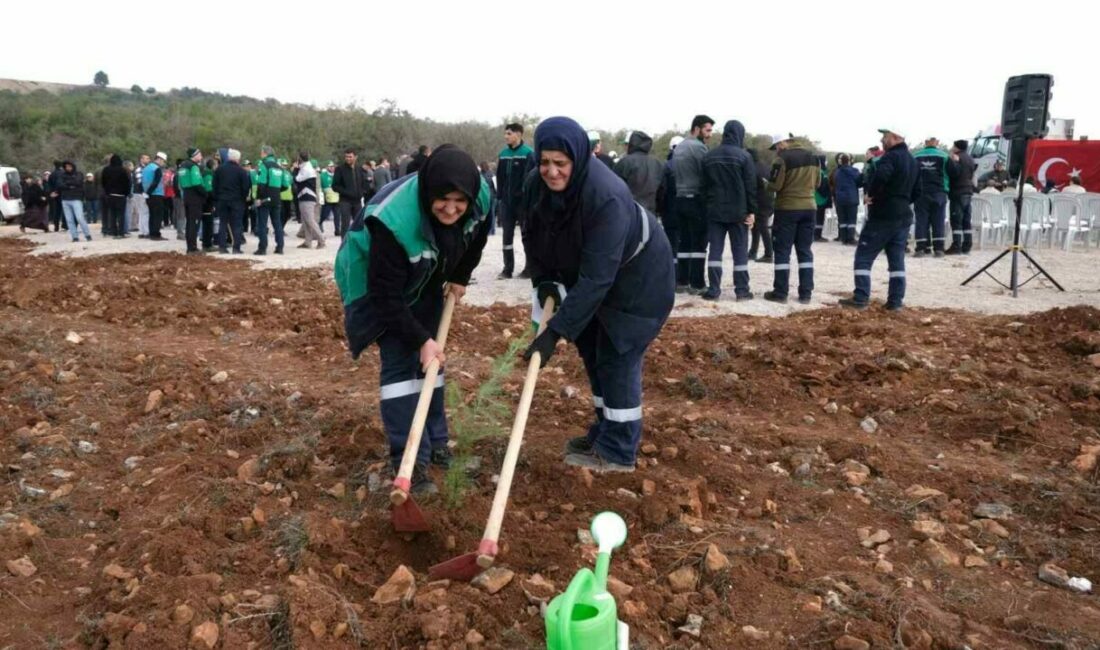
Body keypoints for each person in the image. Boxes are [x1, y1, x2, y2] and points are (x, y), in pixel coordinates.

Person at [520, 117, 674, 473]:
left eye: (561, 163)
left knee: (617, 353)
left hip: (639, 278)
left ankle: (619, 450)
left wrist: (554, 333)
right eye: (545, 162)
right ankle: (606, 430)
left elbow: (597, 279)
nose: (551, 171)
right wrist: (542, 279)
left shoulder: (606, 196)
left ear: (578, 158)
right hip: (594, 274)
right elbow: (532, 232)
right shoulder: (534, 185)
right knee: (591, 347)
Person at [335, 145, 492, 492]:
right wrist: (420, 339)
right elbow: (386, 297)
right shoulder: (394, 223)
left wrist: (461, 275)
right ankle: (409, 463)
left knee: (432, 364)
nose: (451, 209)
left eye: (459, 201)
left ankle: (436, 444)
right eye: (442, 200)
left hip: (425, 273)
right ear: (428, 191)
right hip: (373, 280)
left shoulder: (481, 197)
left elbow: (478, 234)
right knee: (400, 366)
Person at [839, 128, 920, 311]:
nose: (882, 140)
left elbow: (881, 176)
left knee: (863, 257)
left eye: (885, 137)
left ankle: (860, 298)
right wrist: (902, 200)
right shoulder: (913, 161)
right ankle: (895, 302)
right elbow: (918, 191)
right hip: (903, 216)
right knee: (897, 261)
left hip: (883, 215)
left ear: (896, 137)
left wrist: (871, 195)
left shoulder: (890, 158)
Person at [701, 120, 757, 301]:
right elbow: (750, 186)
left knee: (715, 251)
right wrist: (751, 211)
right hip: (738, 212)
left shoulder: (709, 156)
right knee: (740, 252)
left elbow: (704, 186)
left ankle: (713, 290)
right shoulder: (744, 157)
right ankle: (742, 291)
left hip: (715, 211)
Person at [764, 136, 818, 304]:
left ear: (783, 143)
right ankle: (806, 293)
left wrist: (766, 183)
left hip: (787, 208)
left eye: (776, 146)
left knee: (782, 251)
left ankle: (780, 293)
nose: (776, 150)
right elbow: (817, 183)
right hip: (809, 207)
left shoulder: (782, 159)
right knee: (805, 251)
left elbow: (775, 186)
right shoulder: (813, 156)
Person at [671, 115, 715, 293]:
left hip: (679, 199)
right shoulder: (699, 148)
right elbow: (706, 174)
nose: (710, 134)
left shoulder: (679, 147)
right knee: (699, 243)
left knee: (684, 242)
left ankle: (682, 281)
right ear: (697, 129)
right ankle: (697, 284)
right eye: (708, 130)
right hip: (696, 199)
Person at [496, 122, 536, 279]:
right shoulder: (503, 153)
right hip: (506, 203)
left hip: (522, 204)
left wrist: (527, 200)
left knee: (527, 235)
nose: (506, 136)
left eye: (509, 133)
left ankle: (529, 268)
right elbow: (499, 177)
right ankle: (507, 269)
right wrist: (499, 198)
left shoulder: (528, 153)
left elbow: (531, 179)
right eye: (505, 133)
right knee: (507, 236)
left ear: (519, 134)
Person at [913, 137, 949, 257]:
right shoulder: (944, 156)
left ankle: (921, 248)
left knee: (921, 221)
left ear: (925, 143)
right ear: (937, 143)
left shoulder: (915, 156)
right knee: (938, 221)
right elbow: (952, 173)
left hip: (921, 193)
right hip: (939, 192)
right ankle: (939, 249)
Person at [614, 130, 664, 214]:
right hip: (650, 213)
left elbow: (614, 189)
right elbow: (661, 191)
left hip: (629, 212)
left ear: (631, 144)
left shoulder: (624, 162)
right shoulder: (657, 163)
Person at [213, 149, 252, 254]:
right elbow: (246, 188)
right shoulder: (241, 171)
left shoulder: (219, 170)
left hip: (222, 200)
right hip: (237, 201)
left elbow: (214, 186)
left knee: (223, 223)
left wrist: (217, 198)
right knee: (237, 224)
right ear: (238, 159)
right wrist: (243, 199)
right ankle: (236, 247)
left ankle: (222, 247)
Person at [253, 146, 290, 255]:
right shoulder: (279, 167)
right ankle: (280, 247)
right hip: (276, 198)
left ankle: (262, 248)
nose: (261, 154)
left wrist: (259, 198)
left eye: (261, 152)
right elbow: (285, 185)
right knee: (277, 223)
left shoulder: (264, 165)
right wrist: (277, 191)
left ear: (265, 153)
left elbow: (261, 184)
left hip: (265, 198)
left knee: (262, 224)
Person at [656, 135, 684, 276]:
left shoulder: (666, 166)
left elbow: (662, 190)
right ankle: (685, 277)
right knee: (685, 246)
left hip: (670, 212)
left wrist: (660, 209)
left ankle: (673, 276)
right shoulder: (691, 164)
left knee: (672, 246)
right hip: (688, 212)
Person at [945, 139, 977, 254]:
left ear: (957, 147)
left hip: (958, 191)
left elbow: (953, 173)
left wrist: (951, 161)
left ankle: (956, 246)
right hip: (968, 191)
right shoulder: (970, 159)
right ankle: (967, 245)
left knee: (956, 219)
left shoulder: (956, 157)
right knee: (966, 220)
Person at [178, 148, 207, 254]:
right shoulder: (193, 166)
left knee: (189, 222)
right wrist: (205, 193)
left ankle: (189, 246)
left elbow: (180, 182)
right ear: (194, 155)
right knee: (194, 222)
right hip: (195, 197)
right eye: (200, 154)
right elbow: (196, 183)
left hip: (186, 194)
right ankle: (192, 248)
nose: (201, 156)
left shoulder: (182, 166)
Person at [294, 151, 325, 249]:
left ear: (300, 158)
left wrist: (295, 169)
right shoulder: (305, 167)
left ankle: (321, 240)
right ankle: (308, 242)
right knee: (306, 221)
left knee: (310, 220)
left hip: (307, 197)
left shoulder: (307, 169)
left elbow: (297, 179)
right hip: (304, 196)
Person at [748, 149, 774, 262]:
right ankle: (753, 251)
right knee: (757, 227)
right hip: (769, 200)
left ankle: (768, 253)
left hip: (759, 200)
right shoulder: (766, 166)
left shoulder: (751, 168)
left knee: (762, 227)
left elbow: (751, 187)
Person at [332, 148, 365, 238]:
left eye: (350, 157)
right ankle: (344, 244)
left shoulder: (359, 169)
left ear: (355, 157)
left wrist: (362, 192)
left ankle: (358, 243)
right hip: (345, 201)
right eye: (346, 157)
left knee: (359, 223)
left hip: (357, 201)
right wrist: (347, 192)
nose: (348, 159)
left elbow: (363, 183)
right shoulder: (340, 169)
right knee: (345, 224)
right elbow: (335, 186)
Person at [58, 161, 92, 242]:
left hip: (76, 198)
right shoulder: (62, 175)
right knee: (69, 220)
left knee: (80, 218)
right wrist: (71, 185)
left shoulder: (79, 174)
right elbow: (59, 185)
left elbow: (78, 182)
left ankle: (87, 234)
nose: (68, 168)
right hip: (65, 199)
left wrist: (67, 184)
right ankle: (74, 237)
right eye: (66, 167)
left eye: (69, 166)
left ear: (73, 166)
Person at [831, 154, 862, 244]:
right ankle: (850, 238)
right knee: (851, 219)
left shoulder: (837, 172)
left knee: (842, 219)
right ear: (849, 161)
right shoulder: (854, 171)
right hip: (851, 197)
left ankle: (843, 238)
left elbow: (834, 183)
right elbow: (859, 182)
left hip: (840, 198)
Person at [100, 154, 131, 239]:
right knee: (121, 215)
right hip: (121, 195)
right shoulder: (123, 170)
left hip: (110, 195)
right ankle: (121, 232)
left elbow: (103, 182)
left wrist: (107, 192)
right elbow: (127, 183)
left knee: (112, 214)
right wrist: (126, 193)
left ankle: (114, 232)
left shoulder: (106, 170)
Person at [142, 152, 168, 241]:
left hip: (148, 195)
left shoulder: (146, 168)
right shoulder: (157, 169)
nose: (163, 163)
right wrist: (149, 192)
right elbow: (155, 183)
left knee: (152, 215)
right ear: (159, 159)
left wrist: (146, 193)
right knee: (158, 215)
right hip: (156, 194)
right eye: (163, 161)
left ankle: (151, 233)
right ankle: (156, 234)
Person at [813, 156, 832, 242]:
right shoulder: (820, 172)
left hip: (819, 198)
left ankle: (817, 234)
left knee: (819, 218)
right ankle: (816, 235)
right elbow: (821, 186)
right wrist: (826, 194)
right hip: (819, 198)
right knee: (819, 218)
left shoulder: (821, 172)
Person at [201, 159, 217, 251]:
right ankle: (207, 244)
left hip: (206, 201)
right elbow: (209, 189)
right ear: (213, 166)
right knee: (208, 223)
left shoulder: (205, 173)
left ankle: (207, 243)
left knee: (208, 223)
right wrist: (214, 199)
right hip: (207, 202)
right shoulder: (208, 174)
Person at [320, 161, 339, 234]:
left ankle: (337, 230)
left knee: (337, 216)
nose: (332, 168)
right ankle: (319, 223)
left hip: (336, 198)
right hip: (327, 198)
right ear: (327, 167)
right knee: (325, 214)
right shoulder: (323, 175)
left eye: (333, 166)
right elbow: (321, 187)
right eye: (330, 166)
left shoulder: (337, 175)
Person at [47, 161, 64, 232]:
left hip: (55, 194)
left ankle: (56, 226)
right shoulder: (63, 173)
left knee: (56, 211)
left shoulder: (52, 174)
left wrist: (52, 192)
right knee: (65, 210)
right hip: (63, 193)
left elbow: (49, 185)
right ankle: (65, 224)